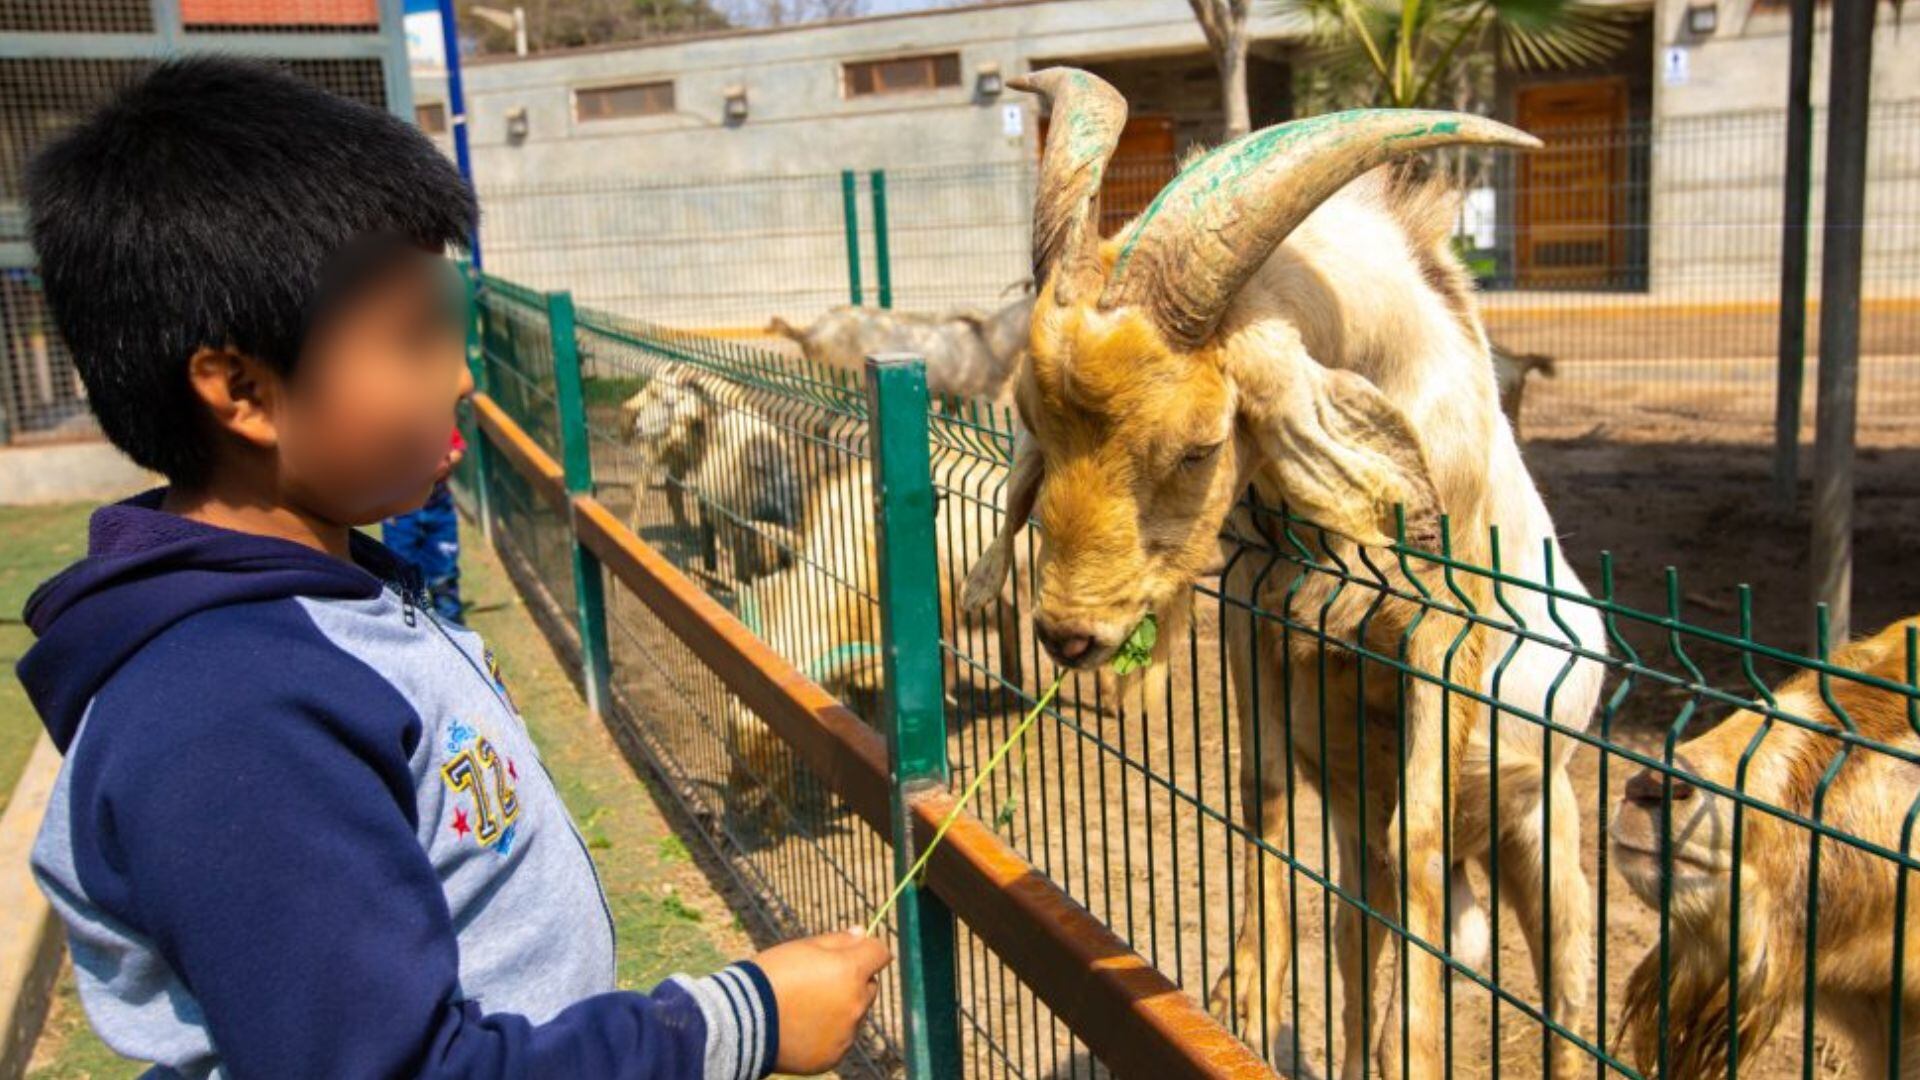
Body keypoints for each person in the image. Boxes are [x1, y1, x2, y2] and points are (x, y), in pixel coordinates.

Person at [15, 57, 889, 1079]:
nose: (462, 373)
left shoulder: (331, 601)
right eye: (416, 336)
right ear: (242, 388)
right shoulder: (234, 717)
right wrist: (739, 1023)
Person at [383, 427, 466, 624]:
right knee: (400, 574)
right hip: (399, 511)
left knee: (444, 572)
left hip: (438, 508)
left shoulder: (434, 419)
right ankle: (409, 626)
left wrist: (444, 463)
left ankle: (451, 623)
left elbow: (457, 448)